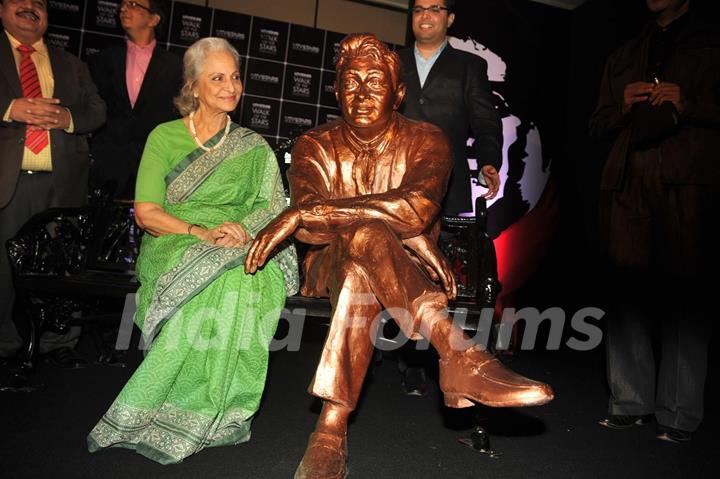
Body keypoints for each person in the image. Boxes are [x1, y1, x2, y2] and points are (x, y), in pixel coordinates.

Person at [245, 33, 552, 479]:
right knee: (362, 243)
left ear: (399, 92)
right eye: (351, 82)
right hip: (324, 265)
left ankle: (331, 429)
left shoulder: (429, 140)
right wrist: (405, 233)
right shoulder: (314, 144)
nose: (363, 93)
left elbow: (415, 209)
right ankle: (458, 354)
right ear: (335, 90)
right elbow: (314, 231)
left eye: (375, 81)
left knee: (361, 264)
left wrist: (323, 213)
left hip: (386, 273)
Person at [87, 37, 298, 464]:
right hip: (174, 239)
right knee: (223, 275)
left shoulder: (253, 148)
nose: (231, 87)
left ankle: (216, 412)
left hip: (238, 239)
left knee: (244, 277)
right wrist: (199, 231)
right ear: (194, 87)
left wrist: (240, 228)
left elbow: (274, 206)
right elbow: (147, 213)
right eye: (217, 78)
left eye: (235, 78)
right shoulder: (164, 137)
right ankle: (173, 406)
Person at [591, 0, 719, 443]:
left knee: (686, 293)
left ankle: (679, 412)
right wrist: (622, 107)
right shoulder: (625, 53)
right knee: (625, 291)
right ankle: (630, 402)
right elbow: (597, 123)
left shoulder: (710, 40)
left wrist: (690, 101)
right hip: (629, 178)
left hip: (688, 180)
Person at [396, 0, 504, 394]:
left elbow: (486, 120)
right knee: (394, 267)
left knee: (436, 273)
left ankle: (427, 355)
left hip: (448, 186)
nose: (426, 15)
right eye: (419, 8)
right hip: (394, 184)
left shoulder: (469, 67)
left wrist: (490, 162)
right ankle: (397, 352)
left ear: (450, 18)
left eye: (436, 8)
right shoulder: (392, 61)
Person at [0, 0, 106, 363]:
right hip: (7, 185)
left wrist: (67, 118)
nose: (30, 6)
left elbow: (97, 111)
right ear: (1, 9)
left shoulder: (72, 63)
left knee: (62, 270)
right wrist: (9, 109)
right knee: (3, 270)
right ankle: (6, 346)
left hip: (62, 187)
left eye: (40, 3)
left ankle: (57, 345)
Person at [89, 0, 182, 199]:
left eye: (133, 4)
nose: (123, 8)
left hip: (154, 163)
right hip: (107, 165)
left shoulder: (176, 66)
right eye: (122, 4)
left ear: (153, 19)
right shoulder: (102, 60)